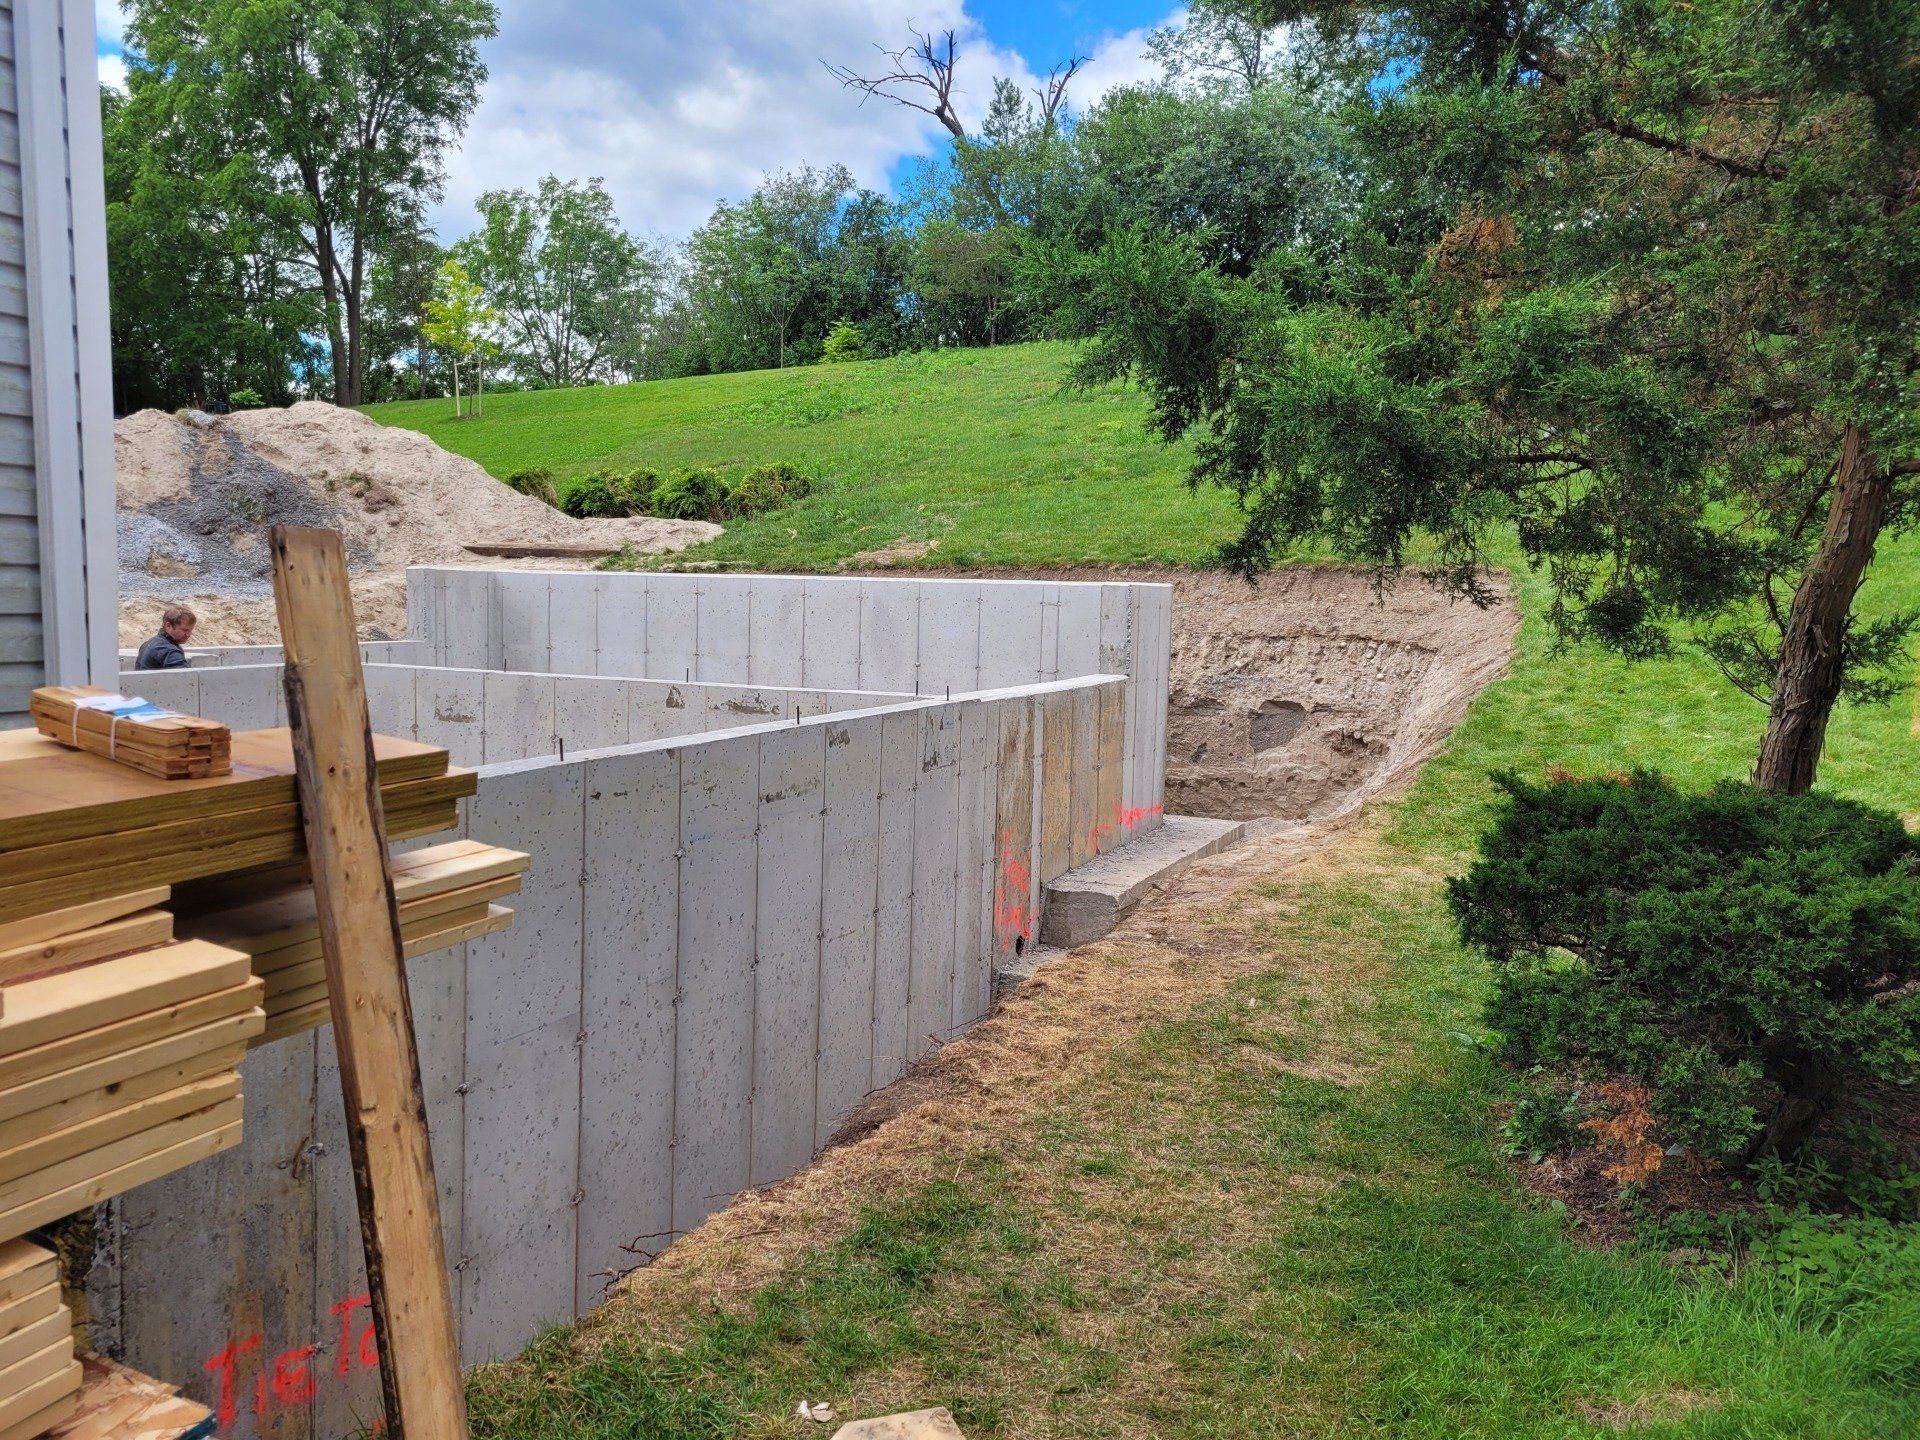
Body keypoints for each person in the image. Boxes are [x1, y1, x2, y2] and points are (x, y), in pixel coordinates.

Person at [135, 605, 196, 670]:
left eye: (190, 630)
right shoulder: (169, 651)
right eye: (184, 630)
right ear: (168, 626)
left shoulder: (147, 644)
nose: (188, 634)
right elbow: (185, 677)